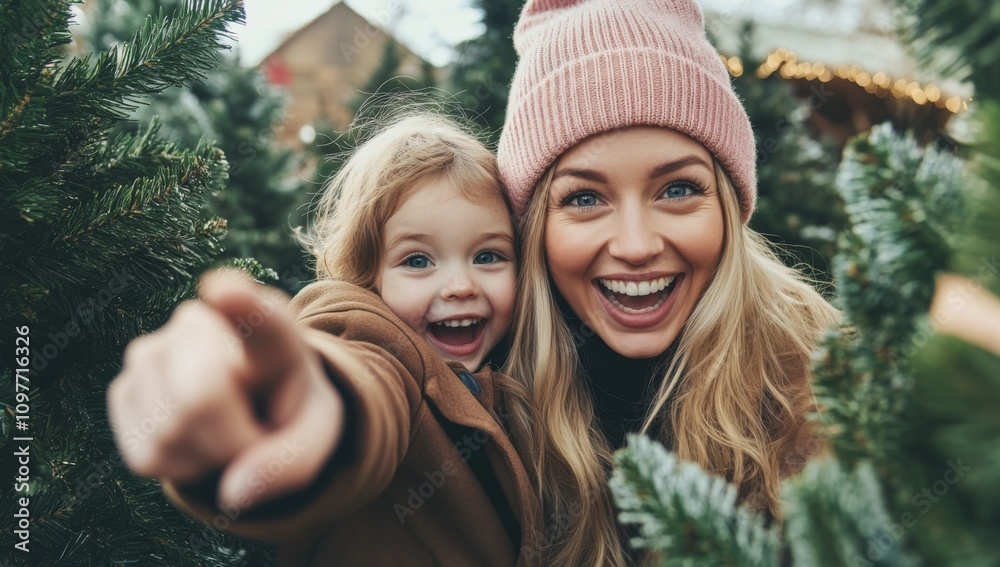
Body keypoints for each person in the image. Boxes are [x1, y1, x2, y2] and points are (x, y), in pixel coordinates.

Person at [107, 113, 540, 566]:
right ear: (367, 273)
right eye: (417, 261)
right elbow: (364, 381)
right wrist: (312, 405)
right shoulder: (383, 346)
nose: (460, 286)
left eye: (488, 256)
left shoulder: (522, 370)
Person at [493, 0, 840, 565]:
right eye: (584, 197)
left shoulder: (827, 386)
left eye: (678, 189)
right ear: (533, 228)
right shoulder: (485, 378)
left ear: (730, 205)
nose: (636, 245)